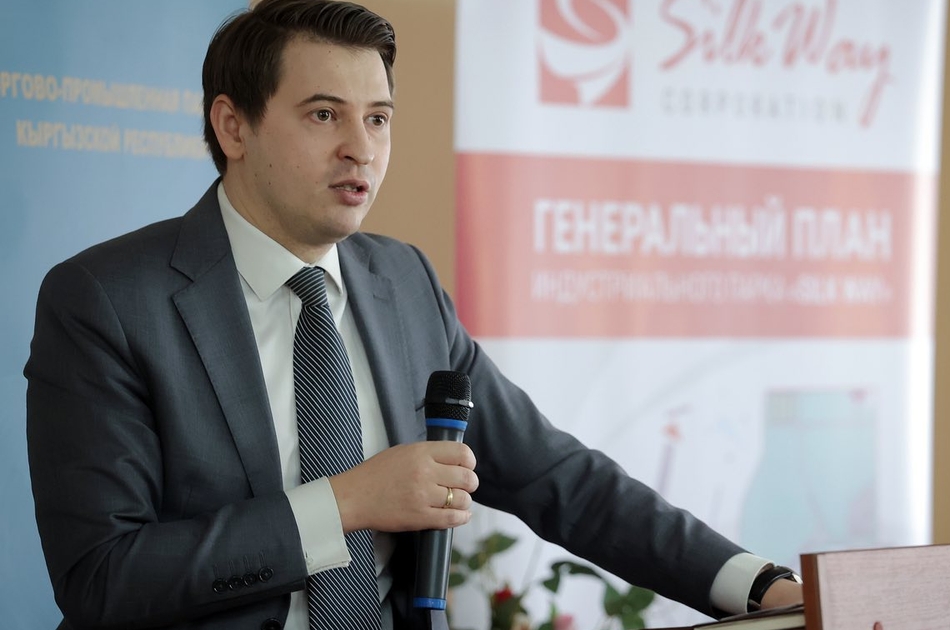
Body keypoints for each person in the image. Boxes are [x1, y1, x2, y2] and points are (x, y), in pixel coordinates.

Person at [24, 1, 804, 629]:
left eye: (378, 118)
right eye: (324, 115)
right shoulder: (106, 301)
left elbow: (559, 476)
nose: (360, 149)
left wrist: (756, 585)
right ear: (234, 126)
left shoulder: (403, 280)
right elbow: (101, 576)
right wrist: (346, 504)